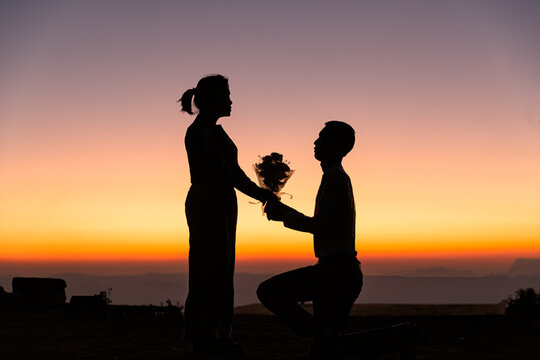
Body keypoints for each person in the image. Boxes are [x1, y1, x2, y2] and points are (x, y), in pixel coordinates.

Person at [179, 74, 276, 355]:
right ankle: (206, 337)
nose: (231, 101)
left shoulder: (212, 130)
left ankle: (219, 335)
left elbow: (231, 173)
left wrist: (263, 191)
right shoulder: (202, 131)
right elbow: (229, 172)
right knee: (208, 265)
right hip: (208, 200)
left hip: (220, 200)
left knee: (220, 266)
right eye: (227, 95)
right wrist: (263, 194)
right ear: (212, 100)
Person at [258, 121, 363, 358]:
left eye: (322, 138)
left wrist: (285, 214)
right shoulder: (335, 177)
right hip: (341, 272)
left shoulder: (335, 179)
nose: (315, 142)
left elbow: (323, 227)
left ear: (337, 146)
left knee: (268, 292)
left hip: (336, 273)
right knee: (325, 349)